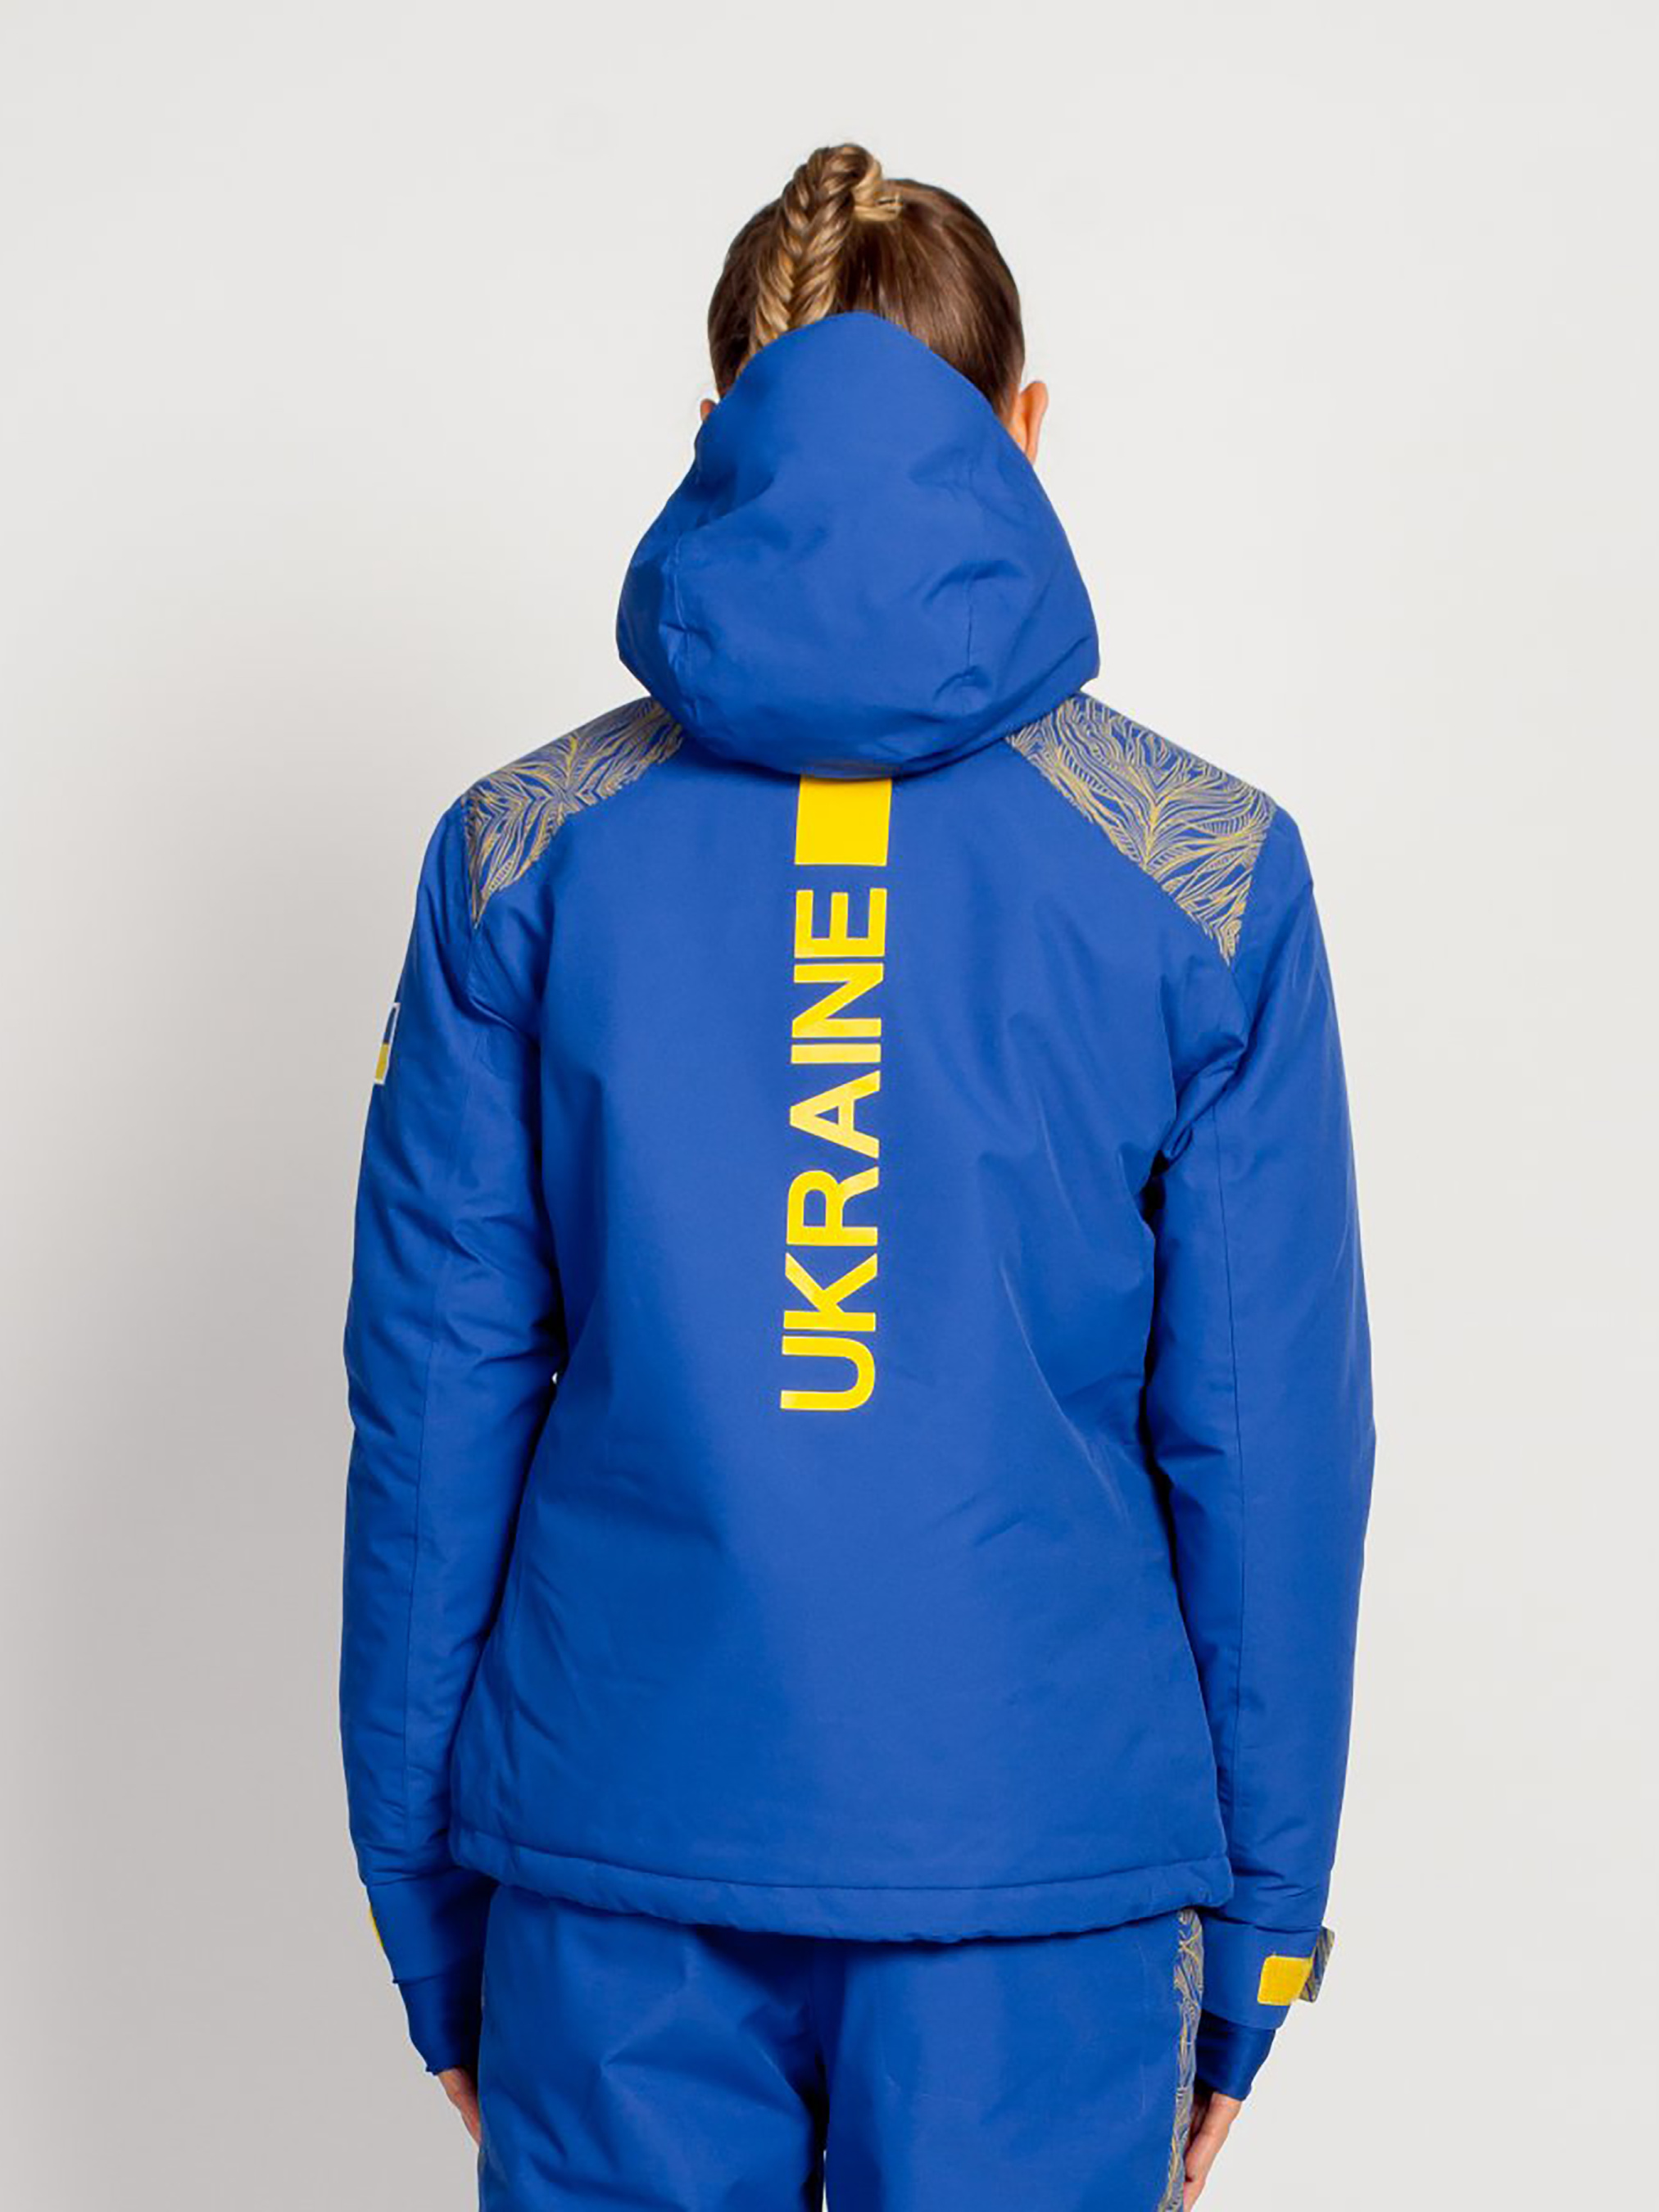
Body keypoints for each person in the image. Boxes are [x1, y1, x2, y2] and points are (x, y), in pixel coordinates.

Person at [340, 143, 1374, 2212]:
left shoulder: (519, 855)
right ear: (1023, 431)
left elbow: (433, 1412)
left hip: (613, 1858)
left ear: (711, 432)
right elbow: (1267, 1453)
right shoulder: (1202, 874)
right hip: (1040, 1871)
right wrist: (1256, 1943)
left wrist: (426, 1912)